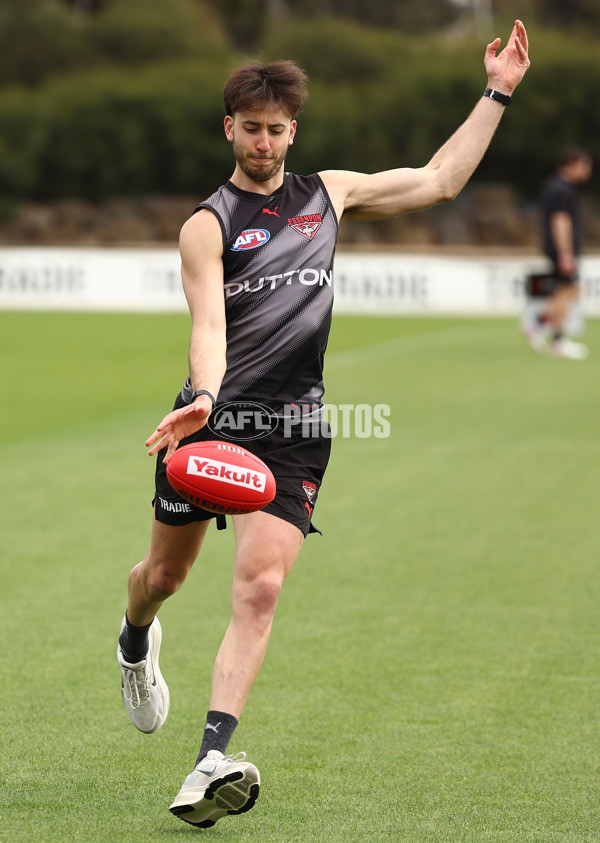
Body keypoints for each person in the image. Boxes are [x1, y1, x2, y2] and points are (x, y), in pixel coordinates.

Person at [116, 21, 530, 829]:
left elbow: (441, 180)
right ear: (228, 127)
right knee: (164, 578)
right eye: (251, 127)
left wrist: (498, 91)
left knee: (261, 586)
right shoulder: (208, 223)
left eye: (277, 129)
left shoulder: (329, 193)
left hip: (295, 425)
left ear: (292, 132)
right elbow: (208, 323)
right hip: (211, 417)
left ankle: (211, 755)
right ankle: (134, 641)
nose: (264, 141)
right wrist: (204, 394)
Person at [526, 145, 593, 359]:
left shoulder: (556, 187)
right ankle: (557, 340)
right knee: (566, 292)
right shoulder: (562, 189)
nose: (587, 172)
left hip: (558, 249)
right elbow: (560, 221)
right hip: (561, 250)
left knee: (568, 291)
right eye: (584, 166)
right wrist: (565, 252)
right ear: (572, 164)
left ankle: (538, 324)